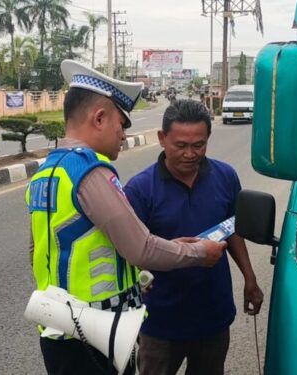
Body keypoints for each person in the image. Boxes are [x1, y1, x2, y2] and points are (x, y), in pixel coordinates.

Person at [25, 60, 228, 375]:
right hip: (94, 332)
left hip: (57, 326)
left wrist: (136, 275)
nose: (122, 135)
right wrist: (200, 252)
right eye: (121, 124)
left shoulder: (48, 172)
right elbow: (140, 248)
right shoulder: (90, 172)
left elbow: (44, 249)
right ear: (100, 117)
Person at [124, 99, 264, 375]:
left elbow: (232, 229)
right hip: (160, 322)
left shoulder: (225, 176)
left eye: (198, 145)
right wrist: (140, 273)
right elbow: (130, 249)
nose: (190, 154)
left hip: (212, 315)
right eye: (180, 146)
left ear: (208, 139)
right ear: (162, 139)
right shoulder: (140, 189)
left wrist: (249, 278)